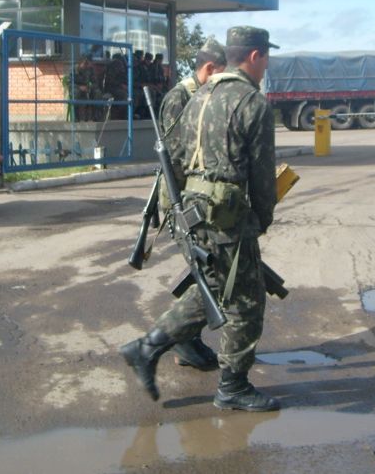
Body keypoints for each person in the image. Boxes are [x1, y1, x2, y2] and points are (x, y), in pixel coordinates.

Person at [120, 26, 280, 412]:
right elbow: (261, 175)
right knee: (245, 299)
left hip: (196, 211)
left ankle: (148, 347)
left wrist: (179, 214)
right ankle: (233, 387)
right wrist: (262, 218)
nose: (266, 65)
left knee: (214, 285)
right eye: (266, 57)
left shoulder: (199, 96)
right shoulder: (251, 103)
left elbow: (173, 158)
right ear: (255, 57)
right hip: (228, 215)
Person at [155, 37, 227, 372]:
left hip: (198, 198)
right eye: (222, 73)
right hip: (183, 199)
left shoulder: (203, 94)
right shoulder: (179, 97)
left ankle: (189, 337)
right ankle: (180, 338)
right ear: (209, 68)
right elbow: (172, 157)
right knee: (204, 271)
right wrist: (184, 205)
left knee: (206, 268)